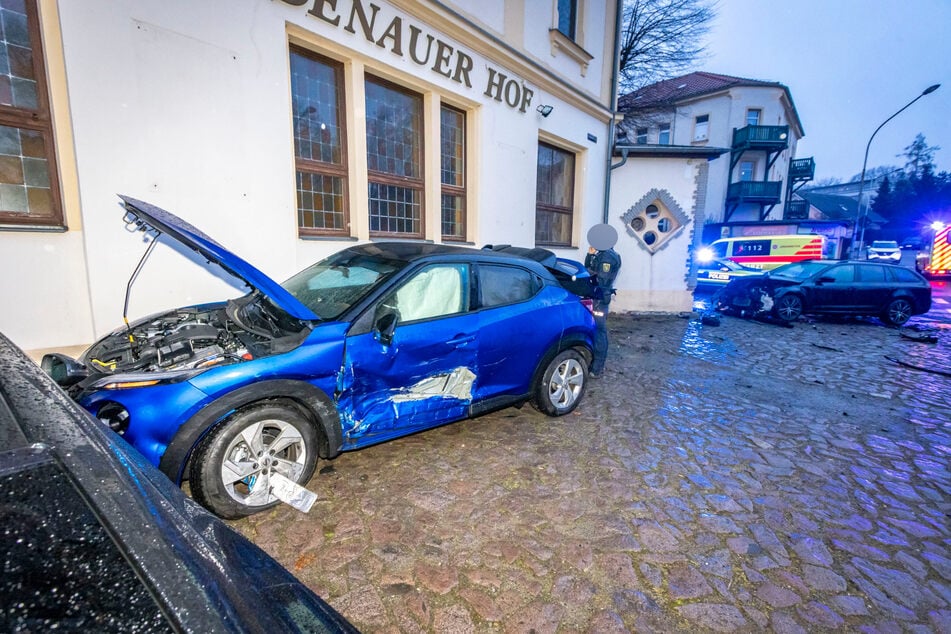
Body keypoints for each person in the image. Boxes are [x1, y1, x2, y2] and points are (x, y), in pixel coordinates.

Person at [584, 224, 621, 377]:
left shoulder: (608, 257)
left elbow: (601, 280)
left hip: (600, 298)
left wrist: (587, 273)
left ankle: (597, 367)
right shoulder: (601, 254)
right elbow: (587, 267)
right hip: (595, 296)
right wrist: (590, 255)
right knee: (593, 328)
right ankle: (593, 362)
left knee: (599, 330)